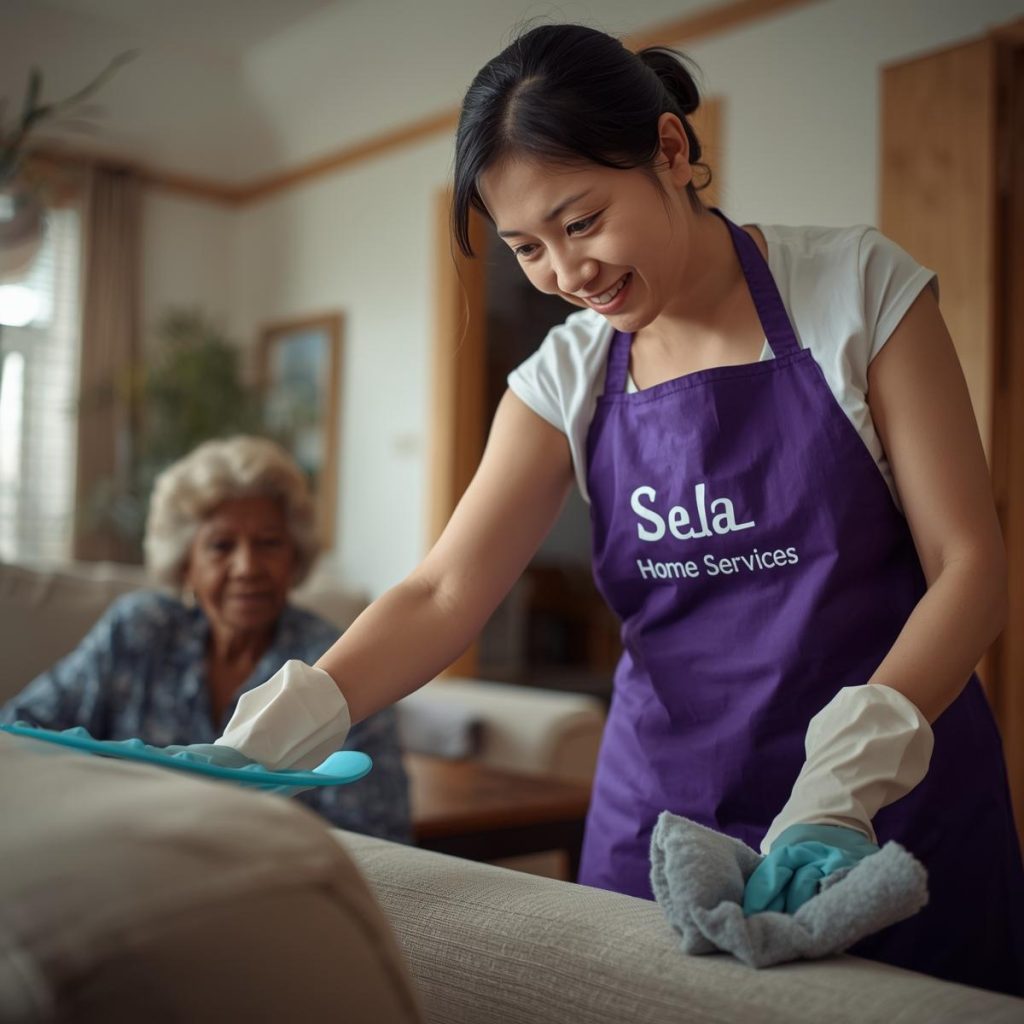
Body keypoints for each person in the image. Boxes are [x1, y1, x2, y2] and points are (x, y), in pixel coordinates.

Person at [168, 25, 1021, 994]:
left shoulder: (855, 290)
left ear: (669, 151)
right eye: (527, 246)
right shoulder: (562, 376)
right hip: (665, 814)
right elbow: (446, 588)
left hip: (884, 800)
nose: (565, 275)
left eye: (581, 222)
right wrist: (277, 733)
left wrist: (843, 787)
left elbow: (969, 567)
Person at [1, 435, 411, 844]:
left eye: (269, 543)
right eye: (221, 546)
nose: (247, 566)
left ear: (295, 558)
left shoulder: (336, 659)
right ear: (185, 565)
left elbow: (378, 827)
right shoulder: (138, 630)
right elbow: (16, 737)